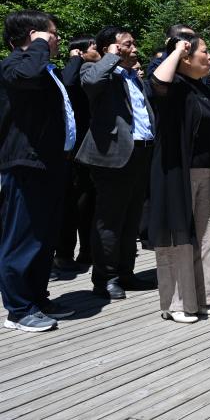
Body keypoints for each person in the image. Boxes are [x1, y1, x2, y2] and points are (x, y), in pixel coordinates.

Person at [0, 10, 77, 332]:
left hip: (50, 163)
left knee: (43, 239)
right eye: (52, 34)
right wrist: (41, 43)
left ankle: (36, 298)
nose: (57, 40)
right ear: (34, 36)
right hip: (25, 164)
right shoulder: (13, 65)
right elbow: (27, 74)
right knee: (22, 238)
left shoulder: (42, 68)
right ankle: (18, 309)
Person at [148, 26, 210, 323]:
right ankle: (178, 303)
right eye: (204, 51)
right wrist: (178, 48)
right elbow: (157, 82)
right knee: (178, 237)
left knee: (207, 237)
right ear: (187, 57)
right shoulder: (174, 86)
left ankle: (203, 298)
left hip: (208, 172)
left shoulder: (205, 88)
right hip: (177, 173)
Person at [76, 25, 157, 299]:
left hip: (141, 153)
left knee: (132, 217)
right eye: (128, 44)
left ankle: (125, 273)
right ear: (110, 47)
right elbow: (90, 83)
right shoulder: (93, 69)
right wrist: (110, 56)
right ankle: (105, 278)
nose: (135, 48)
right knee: (109, 219)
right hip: (113, 156)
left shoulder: (132, 76)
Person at [54, 35, 100, 272]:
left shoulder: (95, 72)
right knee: (72, 202)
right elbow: (68, 84)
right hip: (74, 149)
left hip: (93, 148)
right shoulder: (72, 72)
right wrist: (74, 59)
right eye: (93, 47)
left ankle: (87, 251)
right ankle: (63, 253)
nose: (98, 49)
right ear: (81, 52)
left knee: (89, 200)